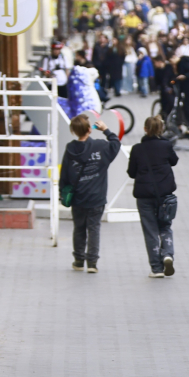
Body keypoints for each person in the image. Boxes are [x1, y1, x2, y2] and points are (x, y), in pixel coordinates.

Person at [60, 116, 121, 273]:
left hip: (78, 197)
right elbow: (116, 144)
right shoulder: (100, 146)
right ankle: (92, 263)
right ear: (89, 129)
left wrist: (63, 193)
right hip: (97, 196)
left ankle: (79, 260)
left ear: (73, 131)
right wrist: (106, 130)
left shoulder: (70, 148)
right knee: (94, 228)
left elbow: (64, 174)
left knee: (79, 228)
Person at [127, 116, 179, 278]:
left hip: (144, 196)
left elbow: (131, 172)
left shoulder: (137, 149)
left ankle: (156, 268)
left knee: (150, 231)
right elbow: (174, 161)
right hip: (165, 194)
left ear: (145, 129)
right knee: (165, 226)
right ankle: (168, 254)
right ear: (161, 129)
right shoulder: (166, 145)